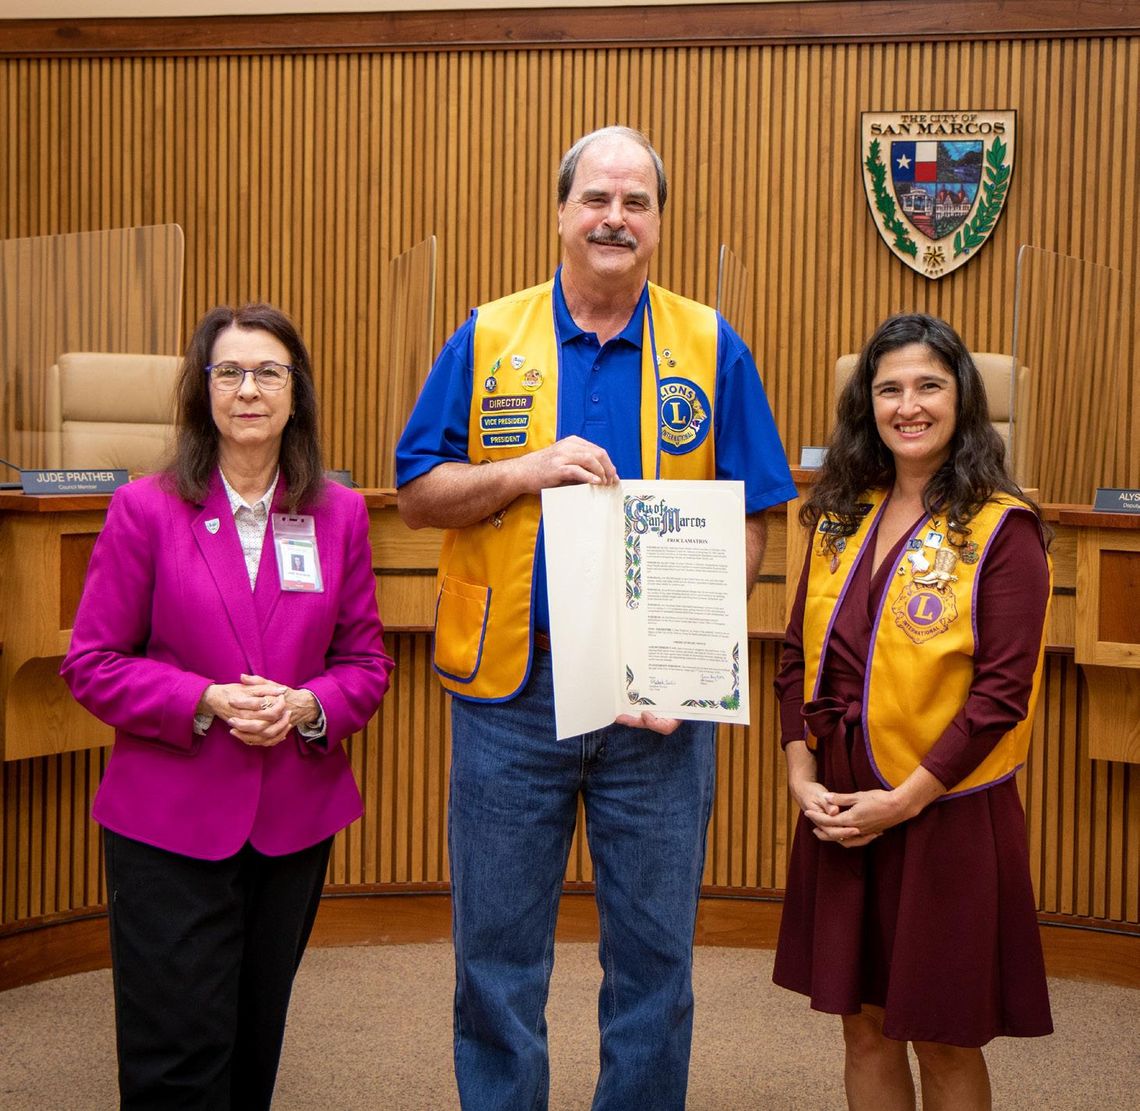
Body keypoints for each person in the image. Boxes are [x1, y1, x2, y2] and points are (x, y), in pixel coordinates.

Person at [396, 125, 796, 1109]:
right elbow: (416, 491)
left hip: (655, 710)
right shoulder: (489, 336)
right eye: (598, 199)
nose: (616, 217)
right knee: (496, 959)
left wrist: (686, 653)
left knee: (656, 965)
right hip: (509, 695)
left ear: (658, 223)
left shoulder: (711, 345)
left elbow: (755, 518)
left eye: (637, 202)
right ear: (562, 212)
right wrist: (521, 472)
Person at [61, 303, 393, 1110]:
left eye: (269, 372)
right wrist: (202, 698)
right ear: (202, 390)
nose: (250, 389)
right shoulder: (144, 508)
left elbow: (364, 663)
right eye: (230, 371)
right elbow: (92, 663)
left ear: (296, 393)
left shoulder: (338, 514)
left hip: (291, 820)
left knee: (253, 1037)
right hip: (168, 820)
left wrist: (308, 705)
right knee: (175, 1051)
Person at [772, 313, 1053, 1111]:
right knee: (862, 1026)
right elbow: (796, 655)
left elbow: (1001, 696)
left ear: (964, 398)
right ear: (867, 404)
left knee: (943, 1034)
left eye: (928, 384)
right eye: (889, 388)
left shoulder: (1005, 529)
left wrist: (905, 799)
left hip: (943, 807)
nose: (909, 405)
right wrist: (800, 773)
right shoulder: (837, 513)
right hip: (843, 804)